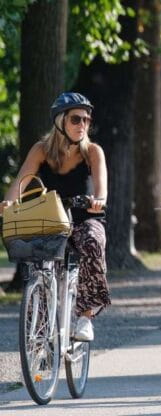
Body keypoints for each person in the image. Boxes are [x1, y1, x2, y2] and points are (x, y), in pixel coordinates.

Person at [1, 92, 109, 342]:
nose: (82, 125)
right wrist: (8, 202)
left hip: (83, 219)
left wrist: (98, 200)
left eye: (86, 120)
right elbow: (21, 182)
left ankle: (85, 317)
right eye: (76, 119)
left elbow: (102, 188)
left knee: (92, 241)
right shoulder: (41, 150)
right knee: (38, 269)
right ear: (60, 121)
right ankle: (38, 338)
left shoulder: (93, 151)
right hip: (49, 221)